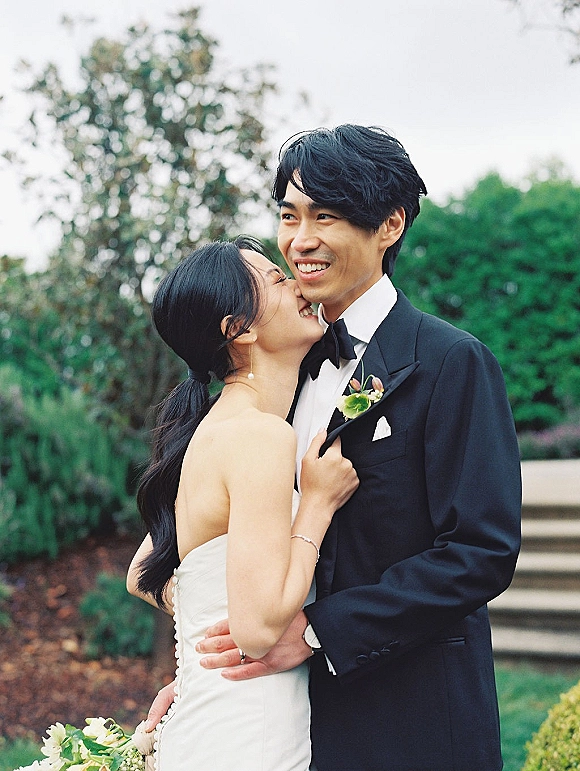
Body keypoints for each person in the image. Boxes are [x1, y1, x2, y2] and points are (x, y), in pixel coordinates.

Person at [144, 126, 522, 771]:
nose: (300, 240)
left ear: (390, 225)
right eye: (289, 216)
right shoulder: (273, 375)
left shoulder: (450, 363)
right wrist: (206, 679)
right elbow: (205, 546)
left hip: (409, 717)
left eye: (328, 216)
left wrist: (319, 631)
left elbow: (479, 552)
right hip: (282, 716)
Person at [126, 235, 359, 770]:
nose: (299, 284)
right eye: (278, 280)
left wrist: (202, 647)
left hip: (217, 712)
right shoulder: (259, 436)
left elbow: (143, 571)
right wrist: (317, 506)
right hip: (246, 730)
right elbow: (257, 634)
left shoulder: (217, 428)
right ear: (241, 329)